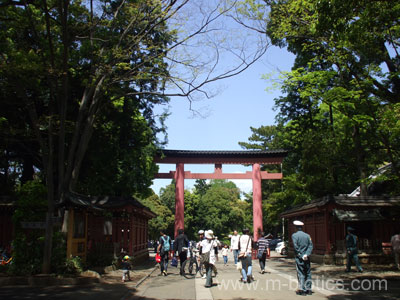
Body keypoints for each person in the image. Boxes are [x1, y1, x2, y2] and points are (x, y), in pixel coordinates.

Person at [292, 220, 313, 296]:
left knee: (301, 273)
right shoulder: (307, 236)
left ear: (296, 228)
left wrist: (301, 255)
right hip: (307, 257)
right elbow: (310, 246)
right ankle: (309, 289)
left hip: (299, 257)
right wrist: (306, 254)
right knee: (308, 272)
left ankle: (302, 289)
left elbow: (295, 246)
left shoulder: (294, 235)